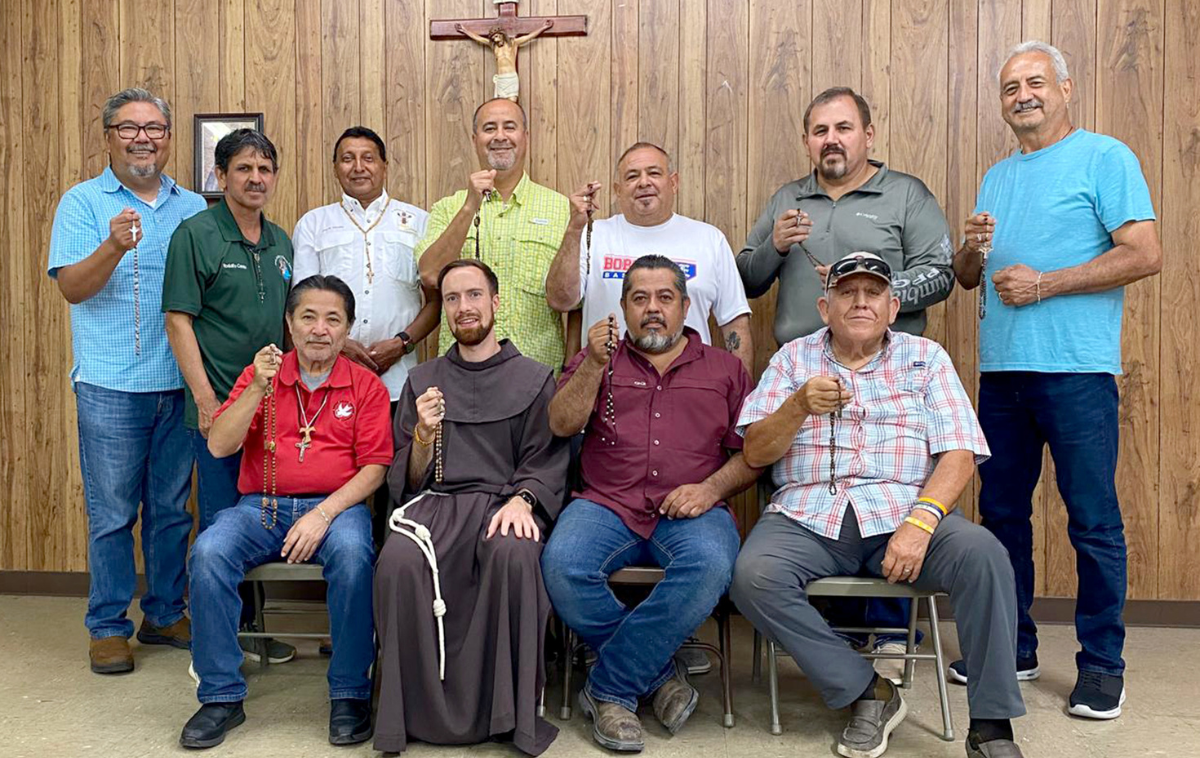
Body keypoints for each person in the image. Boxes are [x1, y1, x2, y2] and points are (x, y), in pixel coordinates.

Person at [731, 252, 1025, 758]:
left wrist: (922, 521)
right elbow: (755, 452)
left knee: (985, 556)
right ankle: (869, 691)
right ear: (826, 307)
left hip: (907, 509)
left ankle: (992, 726)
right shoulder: (792, 360)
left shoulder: (926, 357)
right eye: (848, 293)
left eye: (873, 294)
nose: (860, 302)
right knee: (751, 576)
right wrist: (798, 405)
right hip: (808, 516)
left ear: (892, 308)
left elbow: (959, 452)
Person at [949, 40, 1162, 720]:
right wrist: (970, 248)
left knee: (1093, 523)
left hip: (1075, 371)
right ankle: (1013, 647)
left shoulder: (1106, 157)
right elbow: (966, 278)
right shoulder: (996, 176)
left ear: (1066, 90)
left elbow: (1145, 254)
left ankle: (1102, 665)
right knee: (1003, 518)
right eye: (1011, 87)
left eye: (1035, 83)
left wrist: (1046, 284)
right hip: (1002, 376)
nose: (1022, 96)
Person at [737, 86, 956, 679]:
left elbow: (942, 274)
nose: (831, 139)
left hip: (889, 369)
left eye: (843, 127)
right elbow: (748, 281)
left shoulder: (905, 193)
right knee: (813, 497)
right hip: (801, 370)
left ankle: (885, 632)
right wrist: (774, 246)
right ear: (808, 140)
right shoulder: (788, 197)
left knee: (886, 483)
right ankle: (828, 640)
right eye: (819, 130)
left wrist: (868, 298)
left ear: (868, 134)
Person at [541, 255, 757, 752]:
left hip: (693, 508)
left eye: (665, 298)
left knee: (710, 565)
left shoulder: (725, 369)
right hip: (606, 503)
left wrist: (711, 490)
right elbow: (559, 424)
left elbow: (752, 455)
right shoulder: (599, 358)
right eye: (640, 298)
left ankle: (612, 687)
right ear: (623, 307)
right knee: (562, 565)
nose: (652, 309)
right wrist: (593, 364)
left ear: (686, 306)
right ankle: (658, 675)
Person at [180, 275, 389, 749]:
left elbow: (374, 468)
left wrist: (322, 515)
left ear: (347, 328)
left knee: (356, 557)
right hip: (262, 506)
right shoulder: (261, 377)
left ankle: (350, 692)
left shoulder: (366, 386)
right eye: (308, 317)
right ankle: (220, 695)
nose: (320, 329)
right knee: (209, 553)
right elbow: (218, 444)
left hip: (337, 508)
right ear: (290, 325)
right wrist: (255, 388)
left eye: (332, 319)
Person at [373, 259, 569, 755]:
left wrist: (525, 501)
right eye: (454, 299)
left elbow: (545, 458)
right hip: (436, 508)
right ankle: (407, 719)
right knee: (396, 562)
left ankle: (509, 716)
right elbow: (409, 480)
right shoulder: (423, 380)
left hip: (506, 505)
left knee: (513, 554)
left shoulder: (533, 378)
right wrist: (422, 435)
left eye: (475, 295)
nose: (465, 308)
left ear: (495, 303)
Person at [48, 87, 205, 674]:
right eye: (130, 127)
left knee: (171, 510)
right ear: (108, 135)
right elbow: (71, 287)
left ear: (167, 137)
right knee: (113, 513)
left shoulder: (192, 208)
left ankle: (165, 613)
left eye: (155, 128)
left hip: (177, 382)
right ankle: (108, 626)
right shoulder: (83, 203)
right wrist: (113, 245)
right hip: (110, 384)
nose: (143, 137)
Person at [163, 128, 297, 663]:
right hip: (220, 408)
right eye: (244, 168)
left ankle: (250, 630)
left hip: (272, 412)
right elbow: (178, 320)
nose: (256, 178)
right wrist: (204, 399)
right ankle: (220, 644)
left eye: (265, 168)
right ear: (221, 177)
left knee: (259, 516)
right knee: (221, 522)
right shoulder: (196, 234)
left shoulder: (282, 241)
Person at [292, 125, 439, 540]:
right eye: (347, 158)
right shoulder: (314, 224)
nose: (358, 167)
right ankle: (349, 569)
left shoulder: (417, 221)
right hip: (334, 380)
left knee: (400, 482)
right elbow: (301, 302)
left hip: (400, 381)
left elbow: (435, 302)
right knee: (343, 479)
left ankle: (395, 576)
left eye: (368, 157)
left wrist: (403, 342)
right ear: (336, 168)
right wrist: (344, 347)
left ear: (385, 166)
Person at [545, 141, 754, 374]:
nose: (644, 182)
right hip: (608, 386)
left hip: (690, 388)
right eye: (632, 176)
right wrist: (574, 229)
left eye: (654, 173)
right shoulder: (592, 235)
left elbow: (735, 324)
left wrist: (743, 397)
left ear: (673, 182)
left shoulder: (709, 239)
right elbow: (560, 301)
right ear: (618, 189)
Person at [415, 98, 569, 372]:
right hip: (461, 374)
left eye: (509, 127)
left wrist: (570, 367)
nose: (500, 136)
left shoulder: (561, 209)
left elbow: (575, 300)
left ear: (525, 136)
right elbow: (429, 275)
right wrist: (469, 206)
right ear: (475, 139)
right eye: (489, 128)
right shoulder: (448, 207)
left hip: (536, 372)